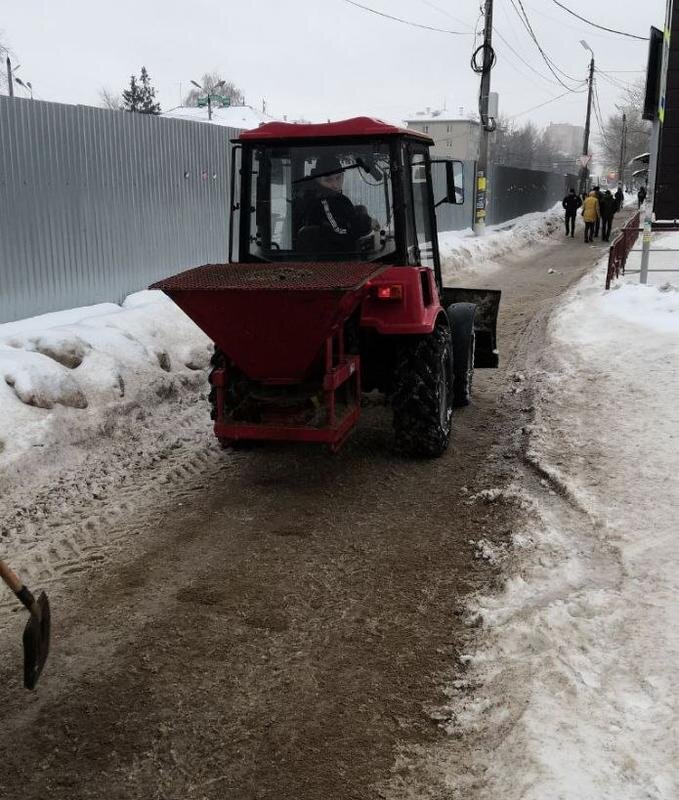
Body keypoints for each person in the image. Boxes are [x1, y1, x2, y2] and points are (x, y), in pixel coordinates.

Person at [294, 155, 373, 254]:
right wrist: (367, 223)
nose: (335, 185)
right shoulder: (322, 200)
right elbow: (338, 230)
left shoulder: (336, 199)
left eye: (338, 178)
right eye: (328, 180)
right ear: (317, 179)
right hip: (331, 259)